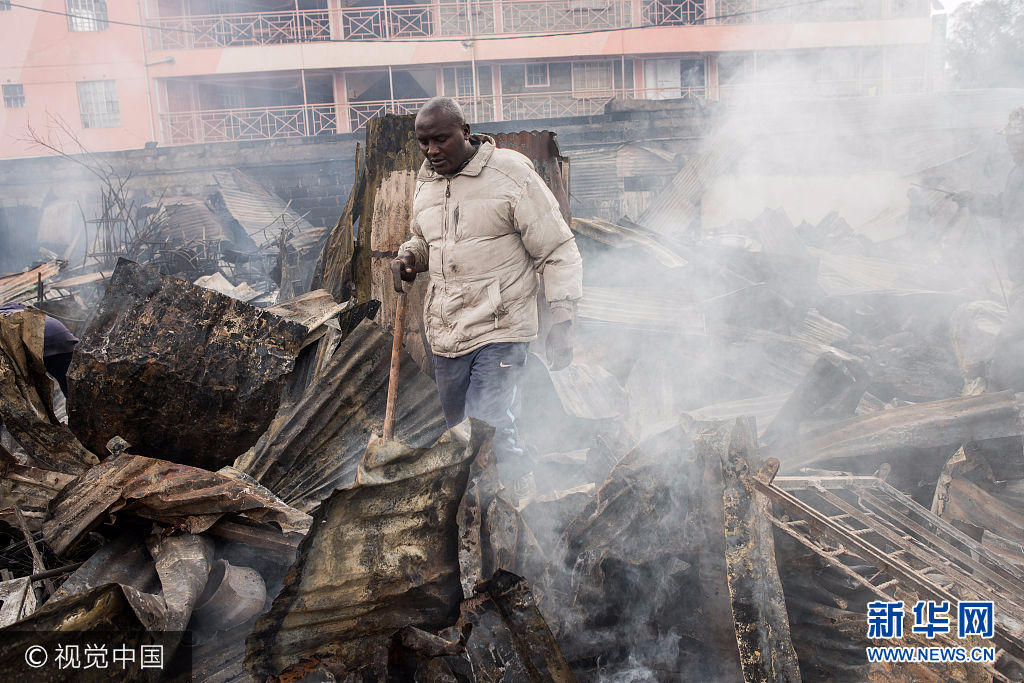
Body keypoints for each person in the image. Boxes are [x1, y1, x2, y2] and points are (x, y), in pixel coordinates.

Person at [392, 97, 583, 496]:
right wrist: (410, 256)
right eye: (423, 142)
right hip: (447, 331)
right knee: (459, 431)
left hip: (502, 326)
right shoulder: (426, 181)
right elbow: (424, 238)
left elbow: (557, 249)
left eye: (441, 139)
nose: (431, 150)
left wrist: (564, 319)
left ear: (465, 131)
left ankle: (515, 502)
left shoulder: (511, 173)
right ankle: (487, 508)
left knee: (486, 423)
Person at [953, 106, 1024, 296]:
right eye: (1010, 141)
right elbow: (1006, 206)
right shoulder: (1017, 171)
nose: (1012, 147)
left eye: (1018, 141)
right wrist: (974, 200)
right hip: (1018, 269)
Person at [0, 302, 79, 397]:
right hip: (62, 336)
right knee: (70, 385)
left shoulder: (5, 319)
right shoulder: (12, 308)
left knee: (30, 387)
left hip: (41, 341)